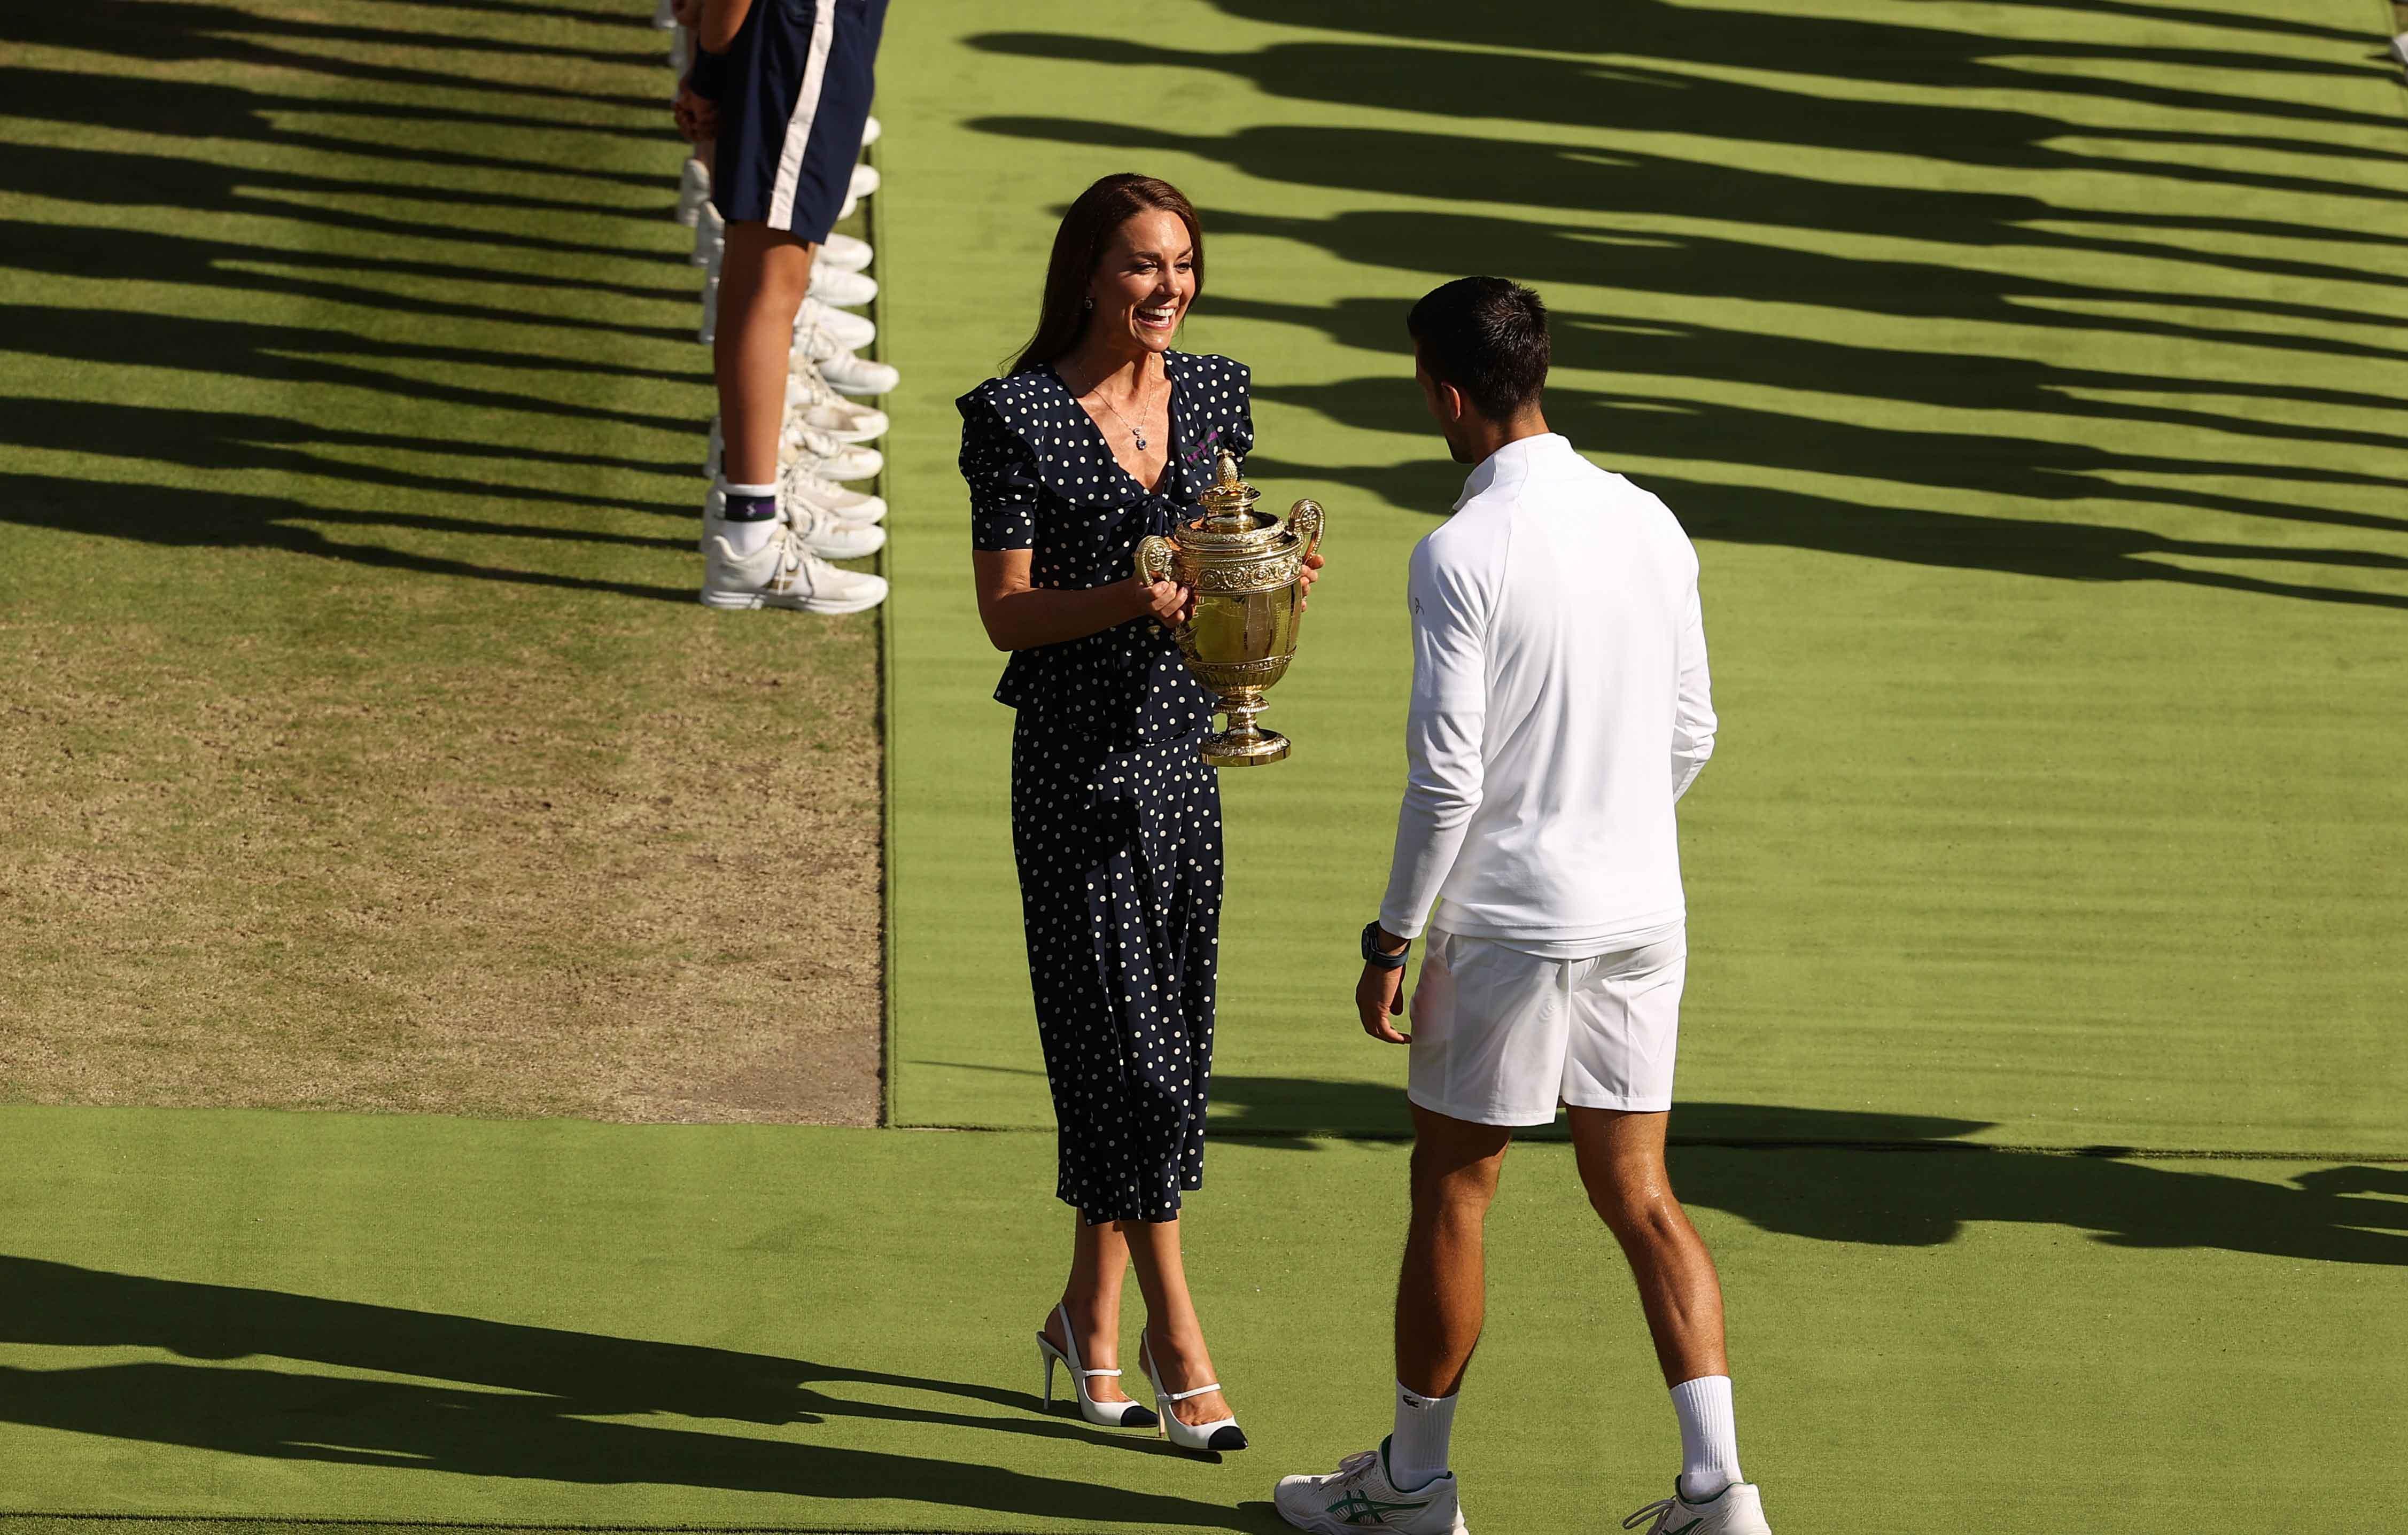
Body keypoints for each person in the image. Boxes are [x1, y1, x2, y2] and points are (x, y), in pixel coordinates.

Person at [1272, 279, 1772, 1534]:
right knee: (1641, 1193)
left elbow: (1446, 777)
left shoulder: (1457, 553)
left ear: (1447, 396)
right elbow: (1691, 729)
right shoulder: (1649, 522)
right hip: (1639, 914)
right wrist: (1605, 825)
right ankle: (1717, 1494)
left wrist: (1390, 934)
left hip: (1504, 926)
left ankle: (1412, 1485)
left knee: (1452, 1187)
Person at [956, 173, 1319, 1455]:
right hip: (1071, 772)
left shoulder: (1214, 395)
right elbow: (1003, 611)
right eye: (1137, 266)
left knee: (1161, 1047)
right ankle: (1179, 1343)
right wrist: (1131, 593)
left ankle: (1083, 1325)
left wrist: (1265, 568)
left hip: (1181, 761)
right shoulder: (1016, 418)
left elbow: (1225, 549)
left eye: (1178, 264)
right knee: (1132, 1062)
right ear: (1086, 275)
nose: (1164, 288)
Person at [674, 0, 889, 614]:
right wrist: (711, 68)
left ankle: (754, 482)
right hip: (801, 30)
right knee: (770, 283)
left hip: (812, 30)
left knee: (773, 277)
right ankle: (750, 535)